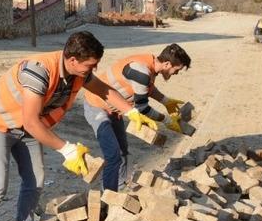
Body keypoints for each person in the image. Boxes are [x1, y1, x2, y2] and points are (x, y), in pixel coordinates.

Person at [0, 31, 158, 221]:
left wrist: (131, 112)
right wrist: (67, 149)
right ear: (72, 60)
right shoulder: (38, 71)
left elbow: (104, 90)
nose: (94, 69)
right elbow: (31, 121)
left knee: (36, 179)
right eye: (90, 65)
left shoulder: (78, 73)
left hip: (27, 128)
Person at [82, 43, 192, 192]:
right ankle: (107, 195)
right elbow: (142, 108)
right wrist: (166, 121)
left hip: (116, 109)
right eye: (176, 70)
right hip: (96, 105)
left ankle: (119, 186)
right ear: (167, 64)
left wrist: (165, 101)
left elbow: (147, 88)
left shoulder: (149, 64)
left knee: (123, 150)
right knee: (113, 154)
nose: (176, 73)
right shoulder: (141, 71)